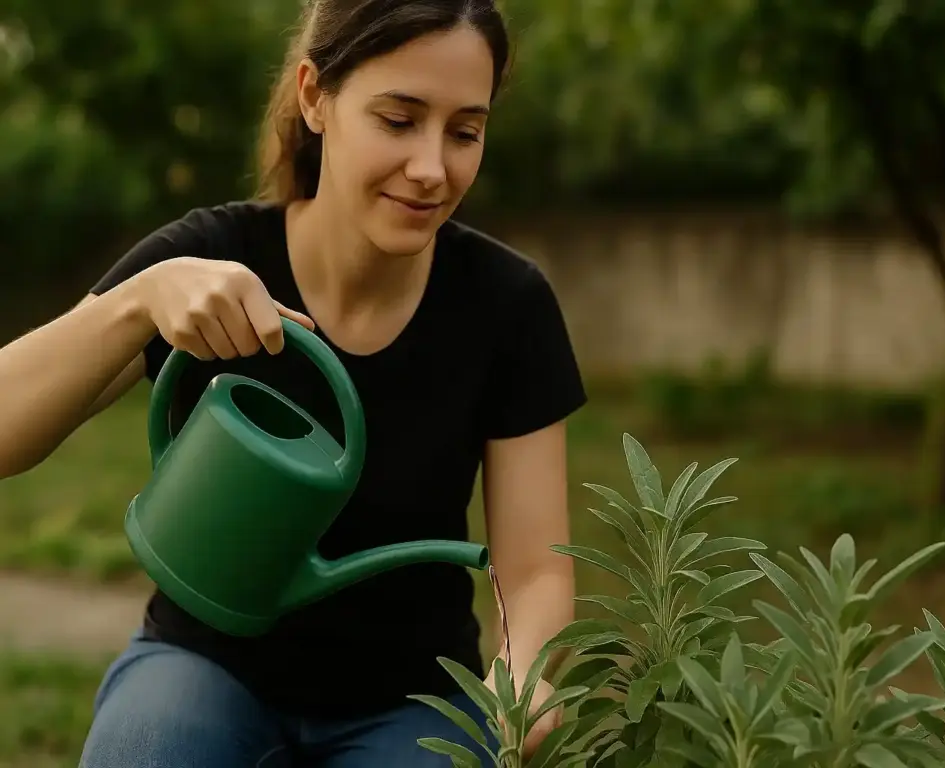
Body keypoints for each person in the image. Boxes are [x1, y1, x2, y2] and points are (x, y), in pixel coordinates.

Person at [0, 0, 586, 764]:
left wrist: (526, 678)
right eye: (399, 119)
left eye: (465, 131)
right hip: (203, 667)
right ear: (315, 96)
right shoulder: (213, 256)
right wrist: (138, 302)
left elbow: (537, 570)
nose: (432, 168)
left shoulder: (507, 305)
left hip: (411, 699)